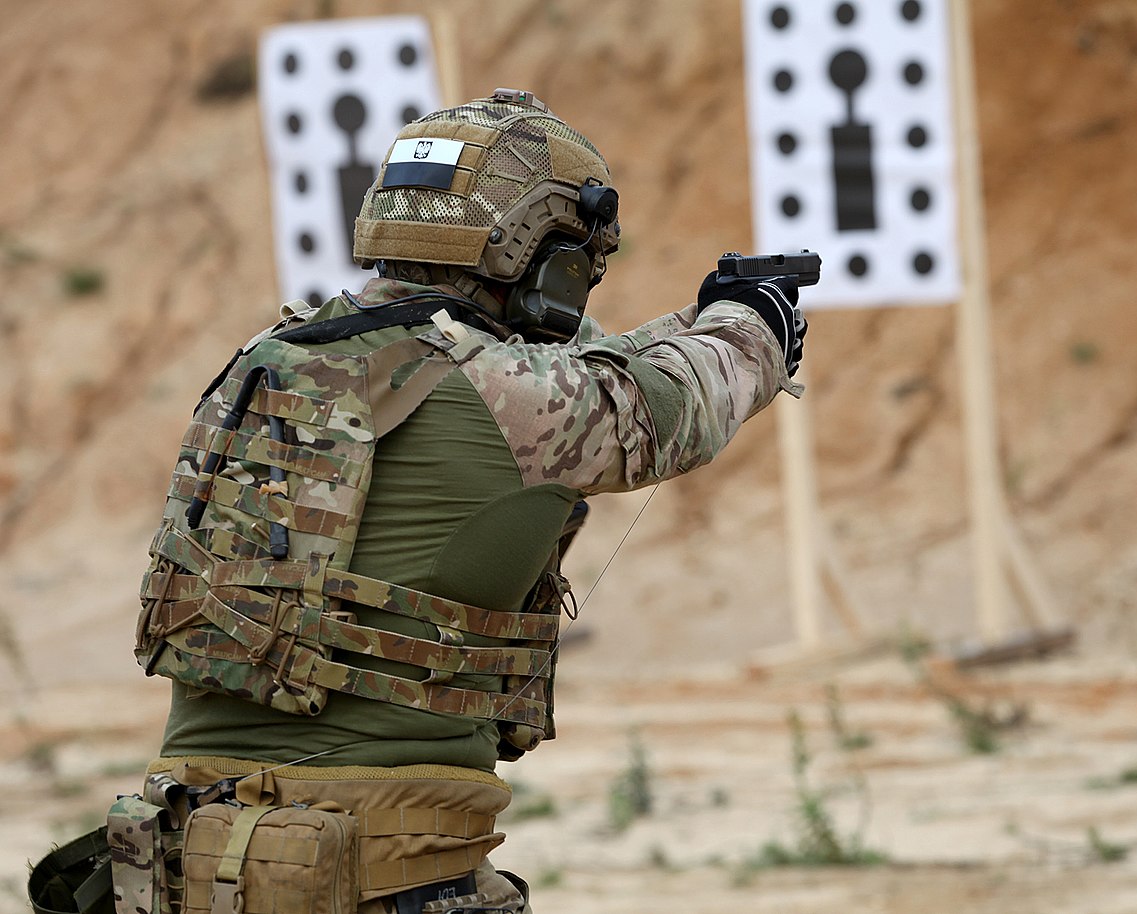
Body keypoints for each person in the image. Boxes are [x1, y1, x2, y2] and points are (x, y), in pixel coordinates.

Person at [127, 88, 807, 914]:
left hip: (191, 850)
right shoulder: (502, 391)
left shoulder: (274, 358)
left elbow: (563, 374)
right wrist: (750, 324)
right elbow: (674, 411)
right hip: (372, 855)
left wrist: (697, 313)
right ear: (543, 255)